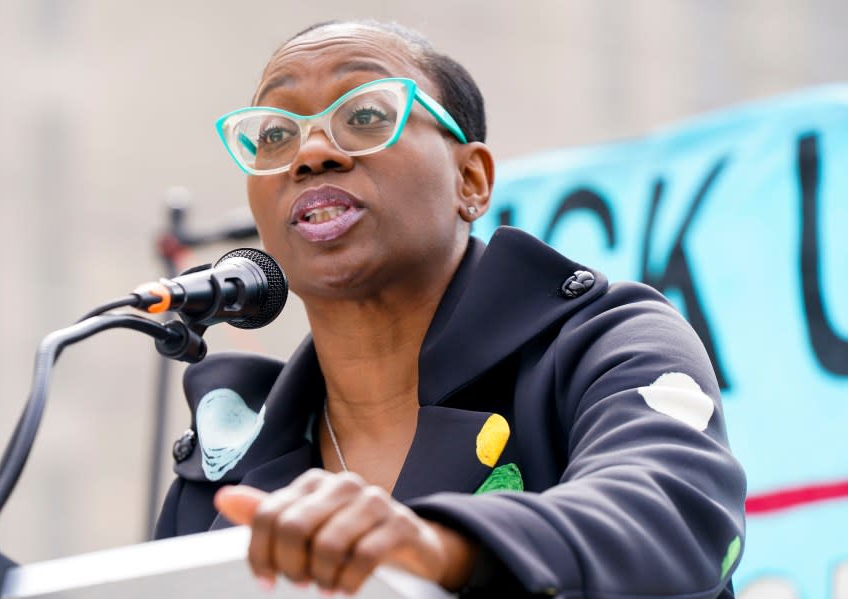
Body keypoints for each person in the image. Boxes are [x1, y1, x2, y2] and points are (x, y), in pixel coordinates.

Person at [155, 19, 747, 598]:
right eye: (276, 136)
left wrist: (442, 548)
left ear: (471, 180)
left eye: (364, 116)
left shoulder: (608, 344)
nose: (310, 154)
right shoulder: (221, 471)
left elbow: (675, 510)